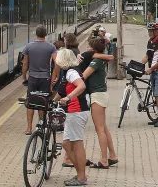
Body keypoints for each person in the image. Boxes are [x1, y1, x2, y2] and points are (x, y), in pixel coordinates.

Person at [81, 37, 118, 169]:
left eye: (89, 46)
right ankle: (112, 155)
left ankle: (104, 160)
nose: (87, 48)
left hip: (97, 95)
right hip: (102, 94)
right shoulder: (101, 60)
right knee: (104, 127)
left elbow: (83, 76)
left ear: (93, 48)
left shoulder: (95, 62)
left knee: (99, 129)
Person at [55, 48, 90, 186]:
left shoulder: (71, 72)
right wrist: (53, 102)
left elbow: (81, 86)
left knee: (77, 143)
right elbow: (60, 92)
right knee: (66, 144)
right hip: (72, 112)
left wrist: (68, 97)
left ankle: (81, 177)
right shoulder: (68, 72)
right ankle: (80, 173)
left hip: (77, 111)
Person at [22, 25, 60, 135]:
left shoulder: (29, 47)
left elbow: (25, 63)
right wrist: (54, 77)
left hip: (33, 78)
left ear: (36, 34)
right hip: (45, 78)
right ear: (46, 34)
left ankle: (29, 128)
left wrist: (24, 78)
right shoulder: (51, 47)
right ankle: (42, 125)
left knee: (30, 102)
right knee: (43, 102)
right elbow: (56, 63)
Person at [143, 22, 158, 126]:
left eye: (151, 31)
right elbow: (147, 56)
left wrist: (151, 68)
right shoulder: (150, 42)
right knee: (155, 95)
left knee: (157, 95)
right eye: (148, 31)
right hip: (153, 72)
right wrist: (138, 65)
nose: (149, 33)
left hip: (156, 71)